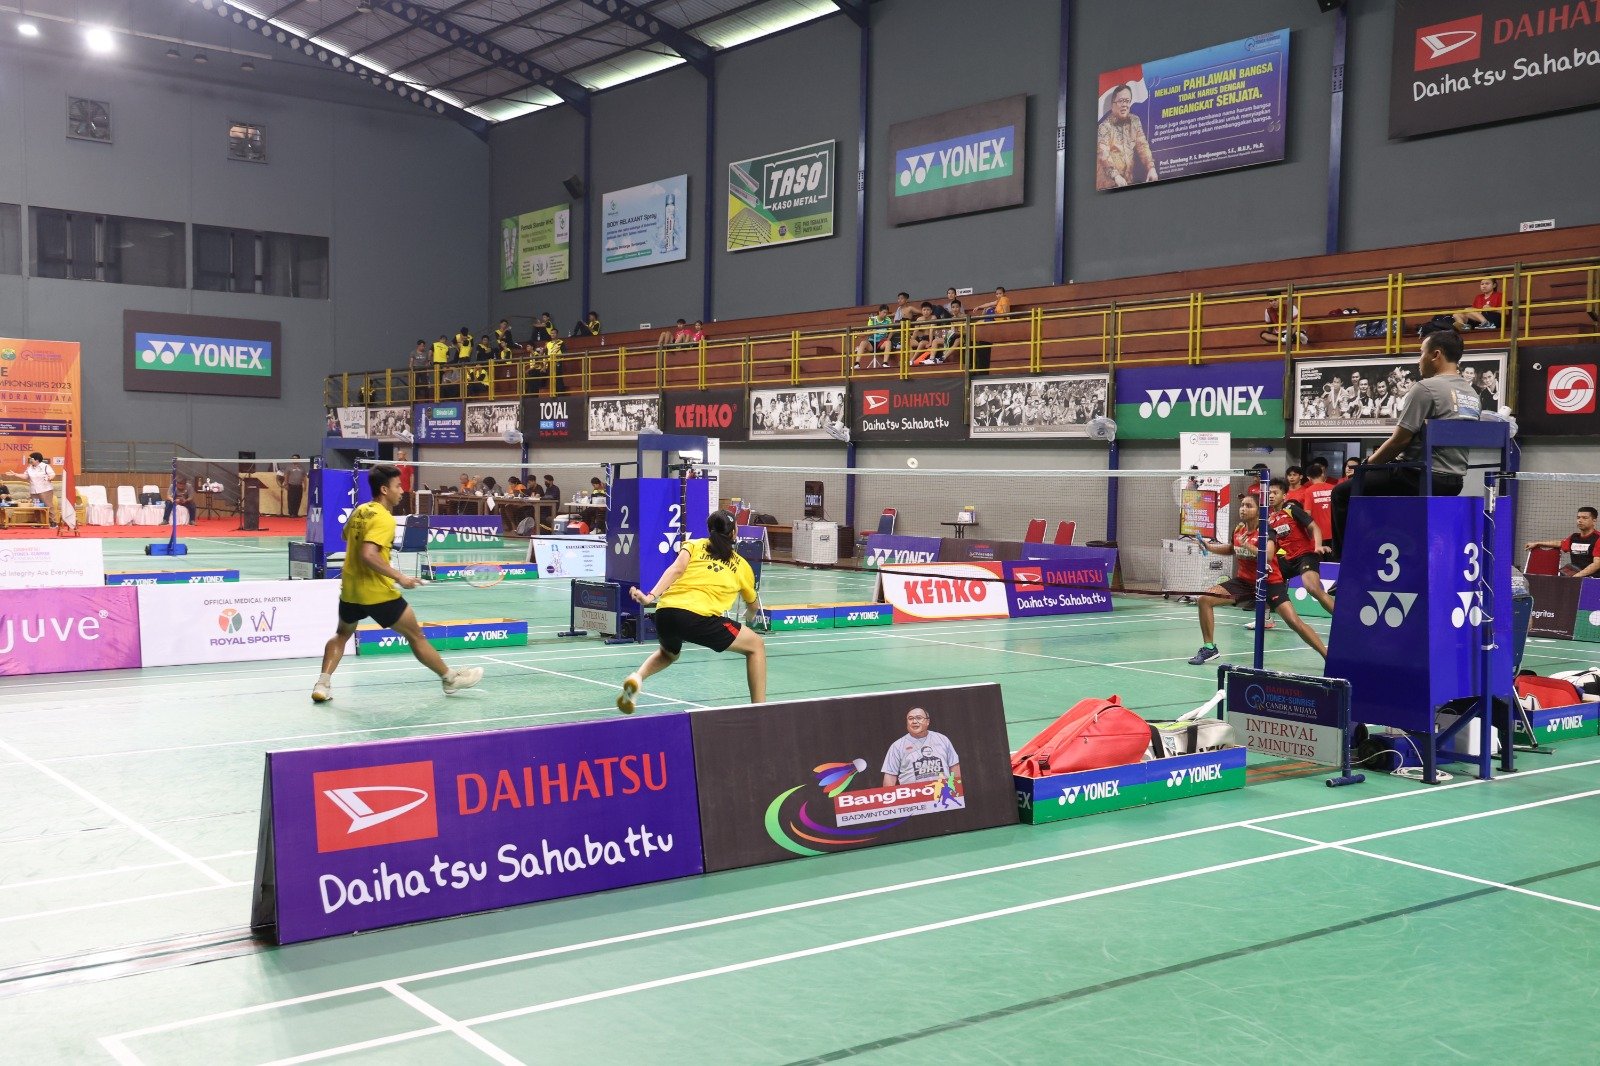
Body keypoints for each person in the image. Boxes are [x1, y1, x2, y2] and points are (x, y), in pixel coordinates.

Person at [311, 464, 482, 703]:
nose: (402, 491)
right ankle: (450, 679)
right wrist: (400, 576)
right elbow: (368, 554)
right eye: (398, 486)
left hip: (350, 590)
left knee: (341, 635)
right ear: (384, 489)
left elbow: (345, 535)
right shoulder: (384, 519)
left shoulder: (361, 510)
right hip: (378, 592)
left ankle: (322, 684)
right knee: (416, 636)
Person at [1330, 330, 1482, 552]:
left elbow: (1399, 442)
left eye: (1421, 353)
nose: (1419, 360)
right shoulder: (1472, 394)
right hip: (1454, 481)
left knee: (1342, 493)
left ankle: (1347, 561)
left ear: (1435, 355)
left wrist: (1366, 465)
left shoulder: (1425, 388)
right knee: (1376, 486)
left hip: (1417, 477)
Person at [618, 509, 766, 712]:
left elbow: (676, 569)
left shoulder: (694, 545)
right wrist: (749, 616)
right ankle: (760, 711)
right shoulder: (741, 565)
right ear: (733, 533)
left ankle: (637, 678)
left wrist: (650, 597)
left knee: (668, 654)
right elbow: (753, 606)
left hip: (665, 613)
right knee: (756, 645)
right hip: (698, 619)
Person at [1187, 495, 1327, 666]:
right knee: (1204, 599)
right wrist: (1209, 547)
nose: (1243, 509)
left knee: (1294, 622)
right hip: (1244, 582)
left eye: (1249, 506)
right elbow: (1231, 549)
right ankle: (1209, 648)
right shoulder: (1238, 529)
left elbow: (1268, 556)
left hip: (1269, 583)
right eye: (1242, 505)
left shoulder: (1267, 531)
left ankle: (1327, 656)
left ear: (1259, 511)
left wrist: (1248, 546)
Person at [1267, 479, 1335, 613]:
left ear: (1284, 495)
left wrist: (1318, 546)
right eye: (1269, 493)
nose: (1271, 496)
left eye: (1275, 493)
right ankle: (1267, 616)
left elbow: (1314, 527)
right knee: (1265, 581)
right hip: (1287, 558)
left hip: (1305, 555)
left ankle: (1343, 619)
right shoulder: (1269, 519)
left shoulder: (1291, 509)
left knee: (1313, 589)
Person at [1096, 83, 1158, 189]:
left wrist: (1151, 167)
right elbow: (1103, 154)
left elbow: (1142, 146)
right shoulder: (1104, 127)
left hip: (1127, 183)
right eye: (1121, 101)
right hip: (1107, 186)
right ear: (1112, 104)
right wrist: (1116, 176)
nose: (1124, 104)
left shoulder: (1135, 121)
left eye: (1127, 101)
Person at [881, 706, 960, 788]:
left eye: (919, 718)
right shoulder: (897, 746)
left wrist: (956, 790)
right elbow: (890, 777)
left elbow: (954, 767)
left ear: (927, 721)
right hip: (913, 794)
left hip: (943, 791)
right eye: (910, 719)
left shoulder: (942, 739)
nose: (914, 721)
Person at [1526, 507, 1600, 577]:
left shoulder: (1598, 538)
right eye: (1578, 517)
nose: (1580, 520)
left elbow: (1597, 564)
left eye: (1585, 518)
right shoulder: (1574, 537)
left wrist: (1576, 576)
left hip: (1593, 579)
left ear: (1594, 520)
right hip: (1576, 577)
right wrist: (1538, 543)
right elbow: (1560, 543)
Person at [854, 304, 892, 369]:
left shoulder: (888, 320)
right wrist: (871, 331)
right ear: (879, 312)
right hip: (872, 342)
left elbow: (891, 331)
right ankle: (857, 364)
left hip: (881, 343)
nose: (885, 314)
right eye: (884, 312)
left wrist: (888, 338)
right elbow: (869, 331)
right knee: (863, 343)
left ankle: (885, 363)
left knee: (888, 342)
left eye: (886, 313)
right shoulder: (872, 319)